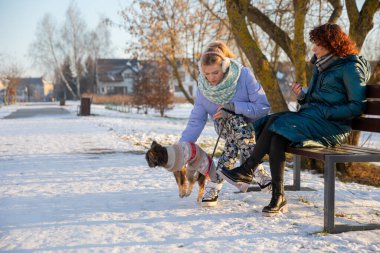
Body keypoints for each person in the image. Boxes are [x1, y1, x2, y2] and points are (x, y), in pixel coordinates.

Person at [218, 23, 371, 216]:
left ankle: (248, 169)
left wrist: (324, 112)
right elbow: (318, 99)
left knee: (277, 123)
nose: (314, 49)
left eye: (318, 45)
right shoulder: (321, 65)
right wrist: (303, 96)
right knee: (275, 131)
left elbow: (357, 107)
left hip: (332, 127)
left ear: (332, 44)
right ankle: (277, 196)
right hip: (313, 119)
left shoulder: (350, 67)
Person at [180, 41, 272, 207]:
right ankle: (256, 169)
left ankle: (213, 185)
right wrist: (183, 147)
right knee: (230, 122)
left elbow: (263, 107)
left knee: (233, 134)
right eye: (206, 74)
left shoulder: (243, 76)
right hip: (222, 125)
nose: (211, 78)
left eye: (215, 72)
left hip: (251, 126)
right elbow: (197, 119)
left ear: (224, 66)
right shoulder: (203, 87)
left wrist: (234, 107)